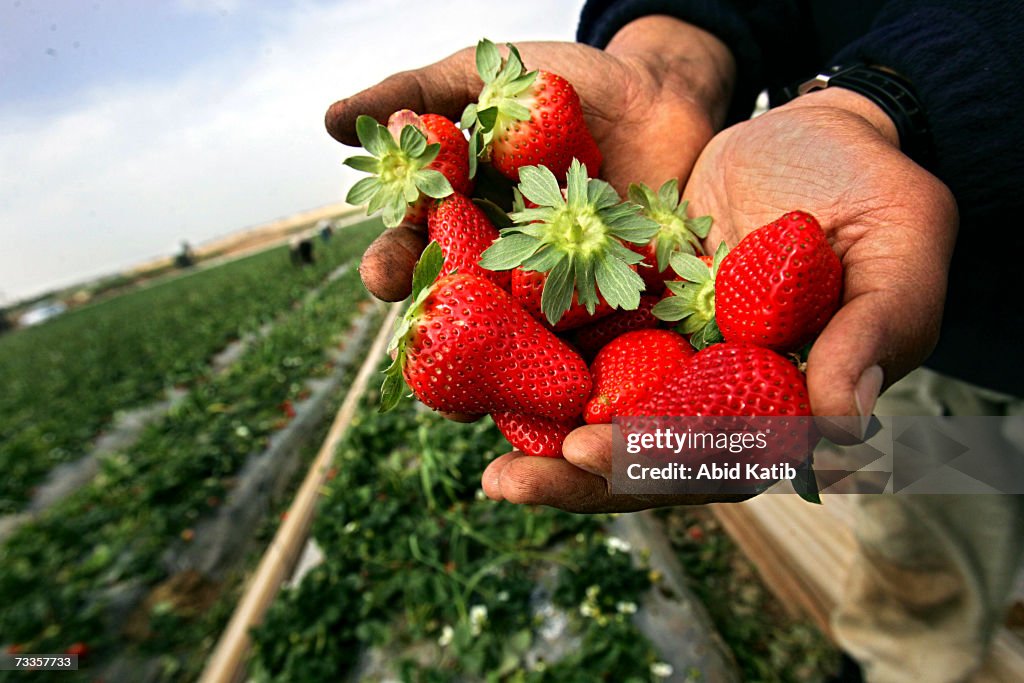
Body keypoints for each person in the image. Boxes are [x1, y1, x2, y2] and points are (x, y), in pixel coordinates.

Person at [324, 2, 1024, 680]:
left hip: (927, 268)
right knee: (930, 536)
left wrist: (887, 100)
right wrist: (669, 61)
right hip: (934, 347)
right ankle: (902, 660)